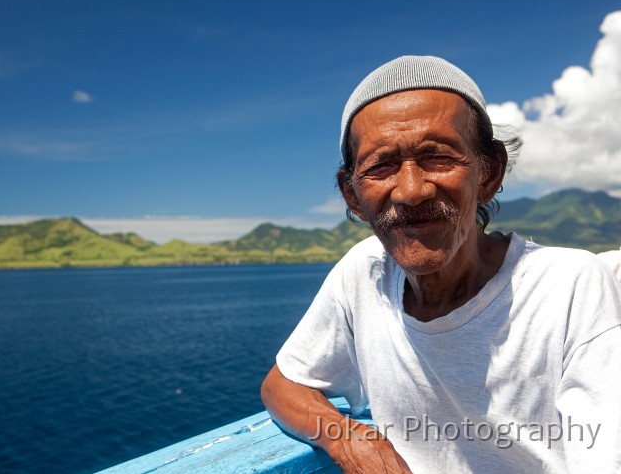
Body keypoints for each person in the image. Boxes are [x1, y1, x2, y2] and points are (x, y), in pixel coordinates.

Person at [260, 56, 621, 473]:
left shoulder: (570, 285)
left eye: (437, 158)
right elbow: (283, 383)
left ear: (489, 173)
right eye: (381, 167)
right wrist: (349, 440)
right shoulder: (364, 274)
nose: (411, 191)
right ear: (353, 195)